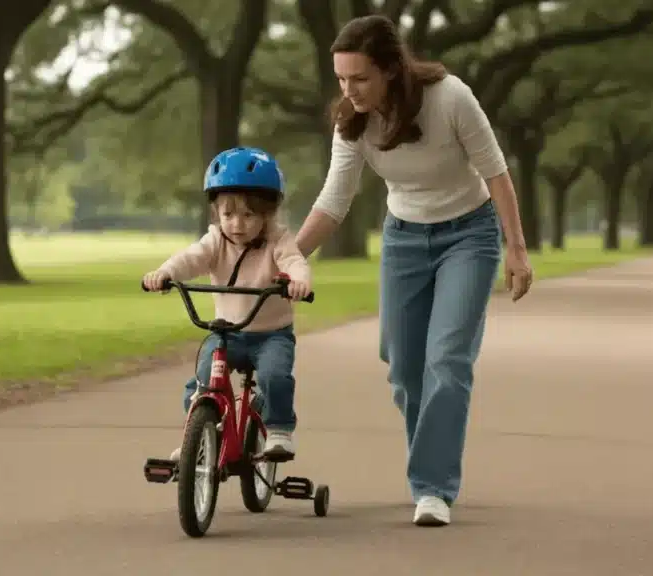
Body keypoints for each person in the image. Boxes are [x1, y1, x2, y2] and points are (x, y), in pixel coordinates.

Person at [292, 15, 534, 527]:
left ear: (390, 70)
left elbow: (496, 173)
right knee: (403, 369)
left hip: (470, 234)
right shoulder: (352, 123)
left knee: (447, 360)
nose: (349, 90)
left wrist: (516, 249)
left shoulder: (450, 98)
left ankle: (433, 487)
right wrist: (288, 257)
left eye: (359, 78)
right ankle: (433, 468)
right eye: (340, 78)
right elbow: (335, 201)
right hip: (404, 238)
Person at [143, 146, 312, 461]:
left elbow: (294, 261)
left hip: (271, 334)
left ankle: (278, 429)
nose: (237, 223)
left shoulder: (278, 239)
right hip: (227, 333)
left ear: (268, 213)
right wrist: (165, 273)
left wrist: (299, 282)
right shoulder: (215, 241)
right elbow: (190, 258)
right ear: (216, 214)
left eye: (249, 214)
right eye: (228, 214)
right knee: (203, 380)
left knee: (274, 376)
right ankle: (201, 434)